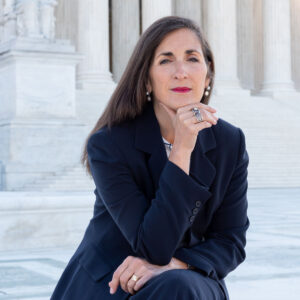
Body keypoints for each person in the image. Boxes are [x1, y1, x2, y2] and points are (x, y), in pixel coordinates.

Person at [51, 16, 249, 300]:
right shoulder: (108, 144)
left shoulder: (230, 142)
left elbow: (231, 242)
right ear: (146, 78)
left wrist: (177, 264)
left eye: (192, 59)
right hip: (113, 282)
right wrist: (182, 148)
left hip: (188, 282)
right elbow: (153, 246)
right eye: (166, 60)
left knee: (179, 285)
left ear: (207, 75)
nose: (181, 72)